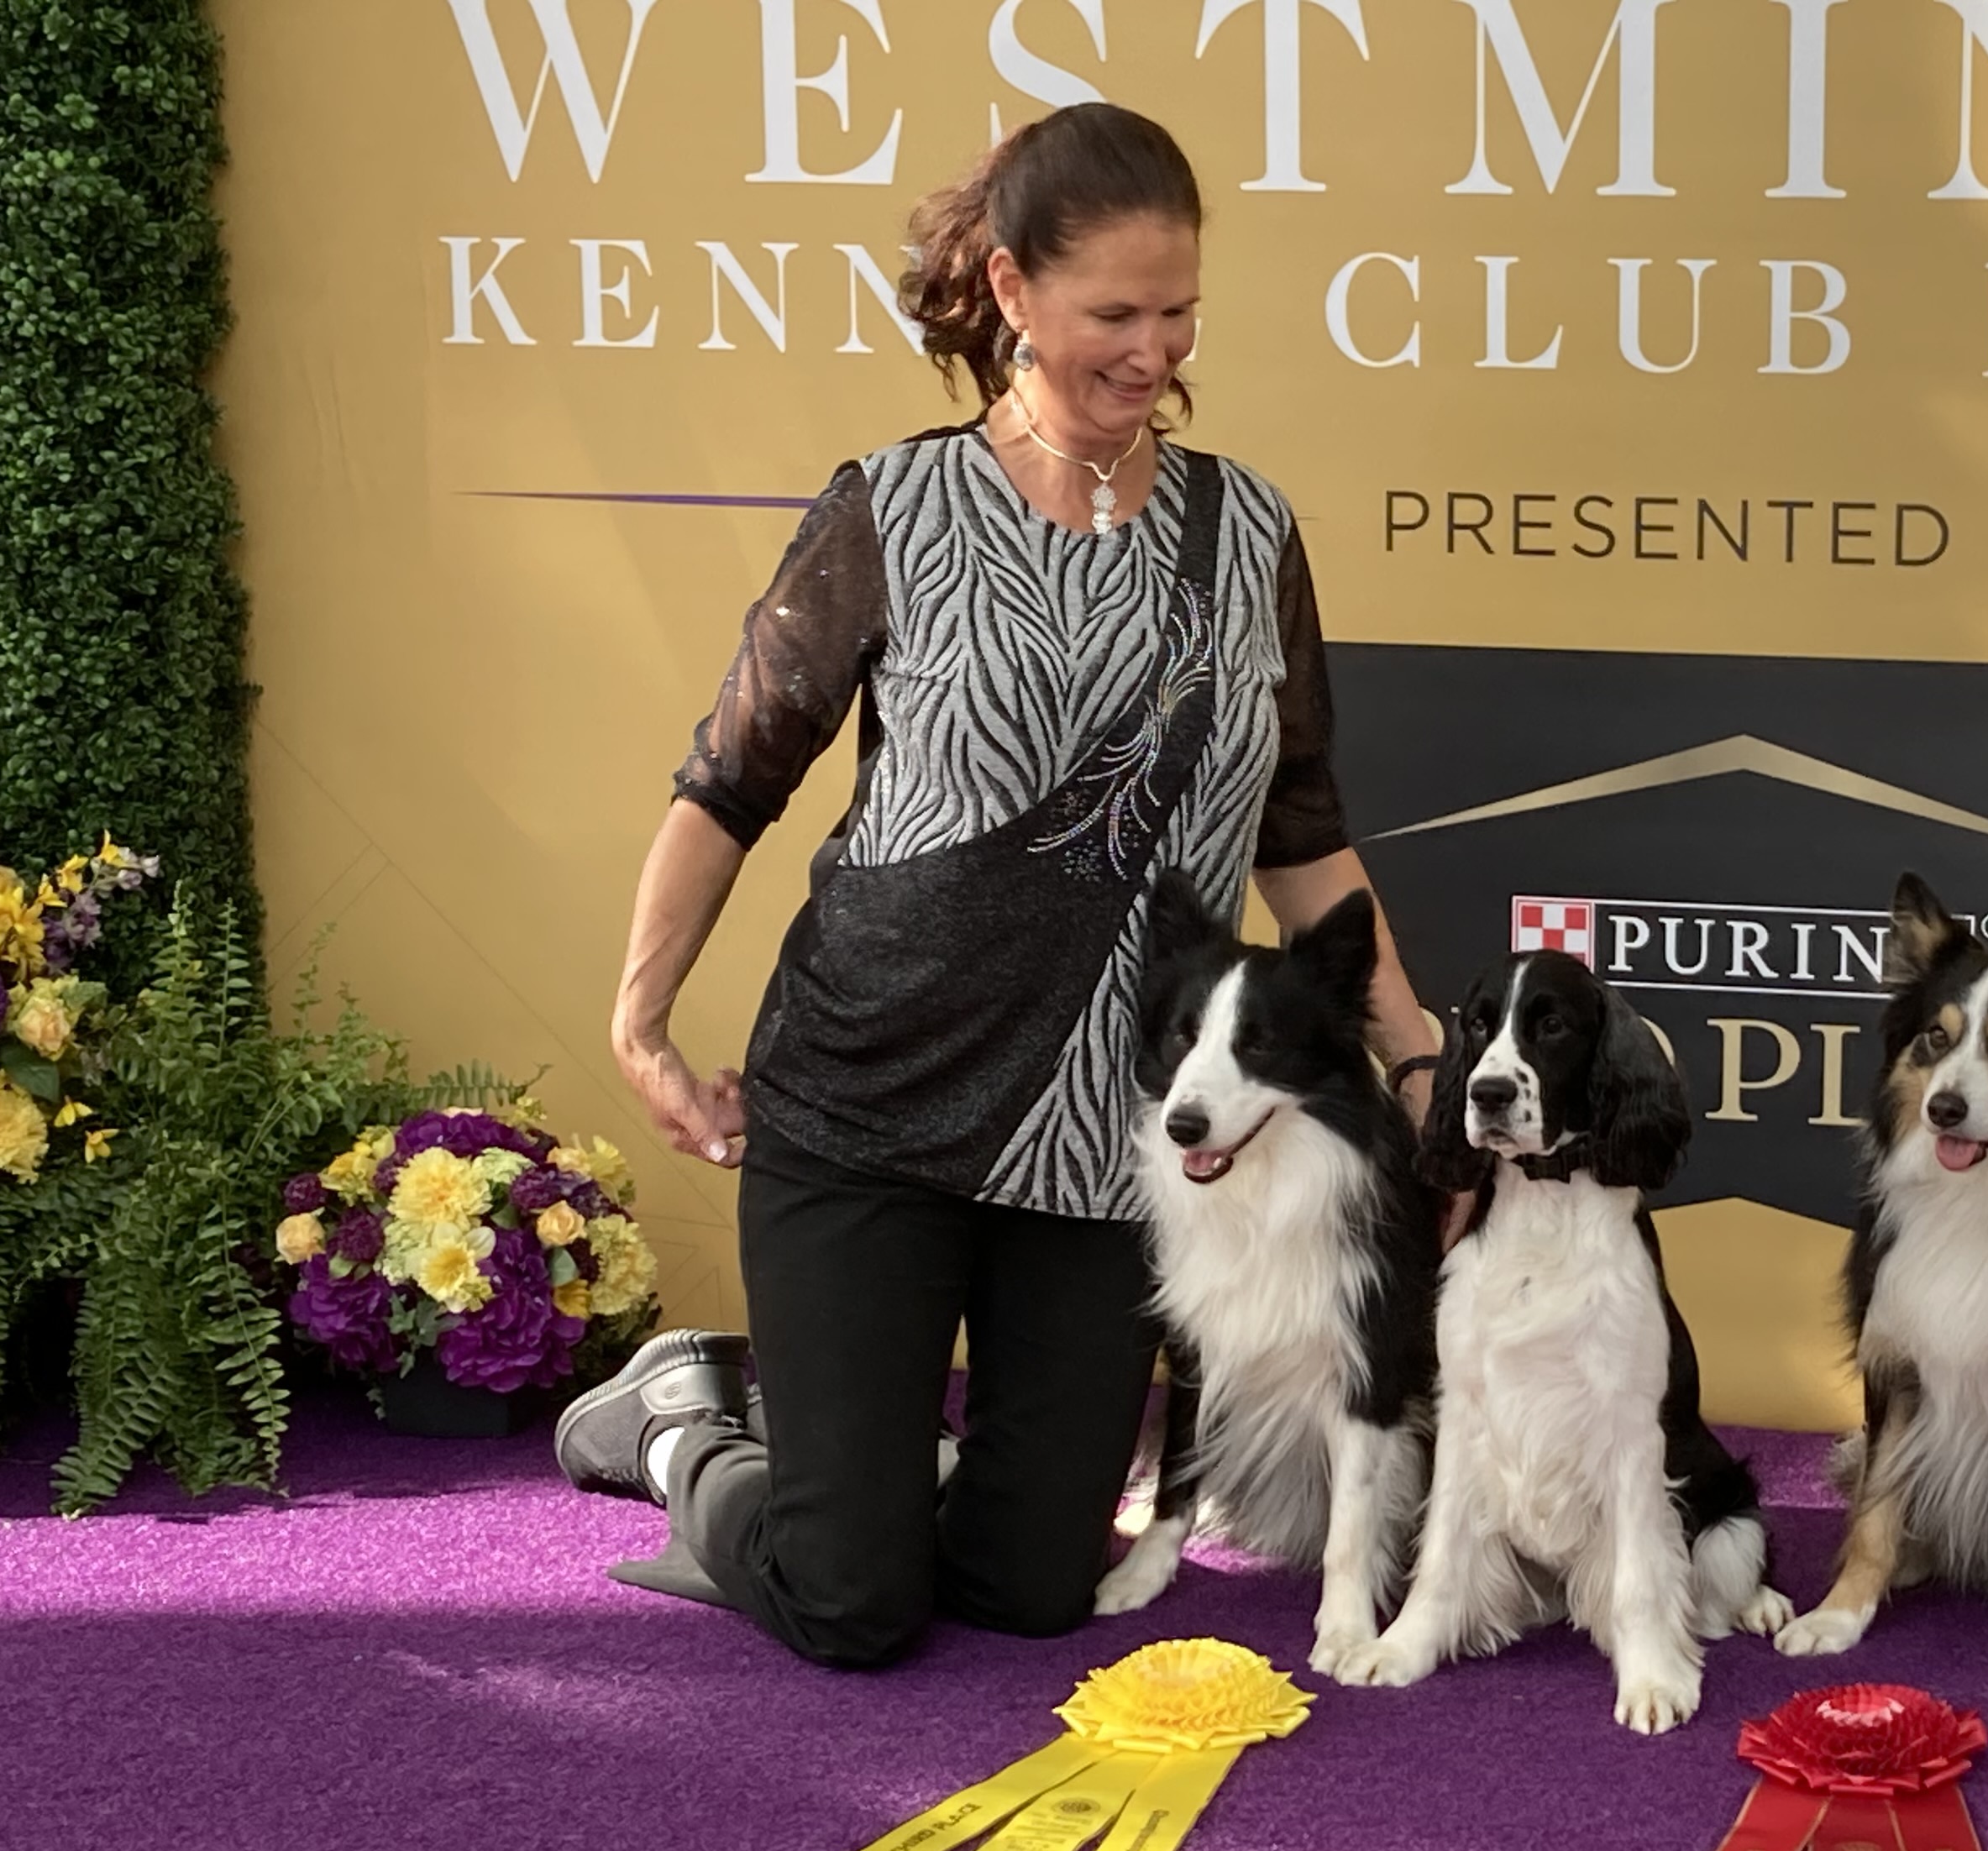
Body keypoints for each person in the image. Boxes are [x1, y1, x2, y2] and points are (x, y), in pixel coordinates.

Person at [553, 103, 1445, 1669]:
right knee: (853, 1602)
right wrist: (641, 1018)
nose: (1152, 348)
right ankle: (690, 1429)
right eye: (1115, 312)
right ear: (1013, 290)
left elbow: (1300, 832)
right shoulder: (889, 508)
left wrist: (1417, 1045)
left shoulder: (1248, 533)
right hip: (866, 1106)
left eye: (1178, 315)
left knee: (1034, 1585)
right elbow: (731, 781)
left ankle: (876, 1479)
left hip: (1103, 1141)